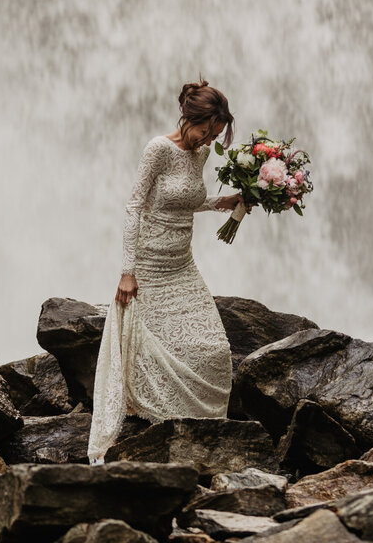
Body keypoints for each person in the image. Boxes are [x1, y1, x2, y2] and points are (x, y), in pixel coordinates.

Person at [87, 80, 244, 463]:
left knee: (215, 351)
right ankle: (156, 426)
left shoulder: (201, 154)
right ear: (189, 117)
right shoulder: (158, 149)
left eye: (215, 134)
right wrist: (127, 272)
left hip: (182, 265)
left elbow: (185, 201)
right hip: (150, 267)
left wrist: (221, 202)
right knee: (150, 348)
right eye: (205, 130)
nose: (208, 139)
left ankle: (200, 436)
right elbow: (135, 207)